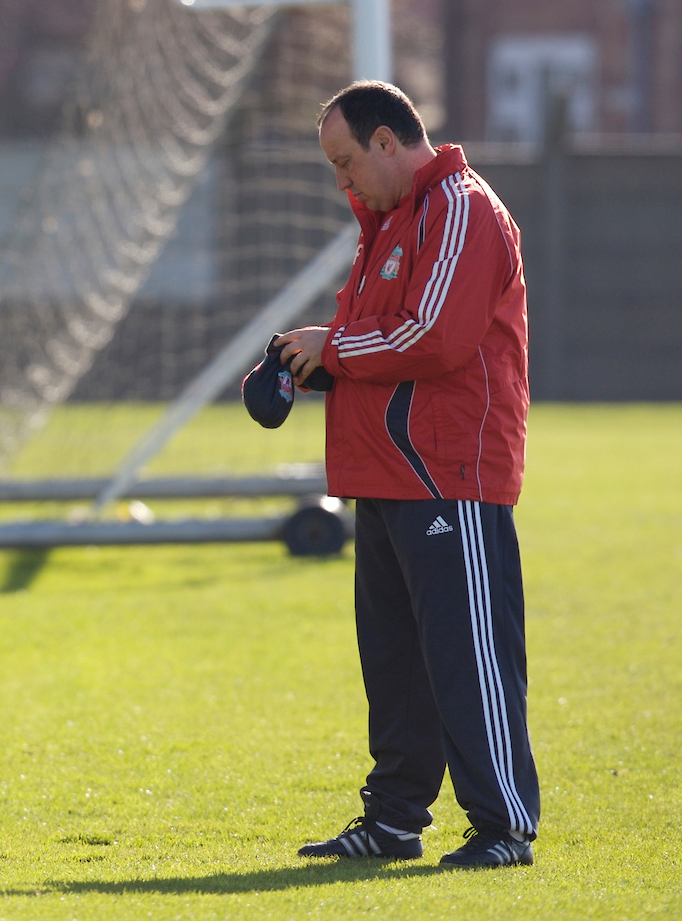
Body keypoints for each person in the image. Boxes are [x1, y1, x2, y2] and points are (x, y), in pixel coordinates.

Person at [277, 81, 538, 867]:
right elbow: (378, 343)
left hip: (447, 471)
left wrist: (334, 346)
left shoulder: (461, 206)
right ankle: (393, 820)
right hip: (383, 473)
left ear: (388, 140)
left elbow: (436, 336)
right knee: (394, 662)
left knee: (467, 654)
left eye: (346, 160)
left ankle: (503, 827)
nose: (342, 180)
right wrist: (307, 366)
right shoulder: (389, 221)